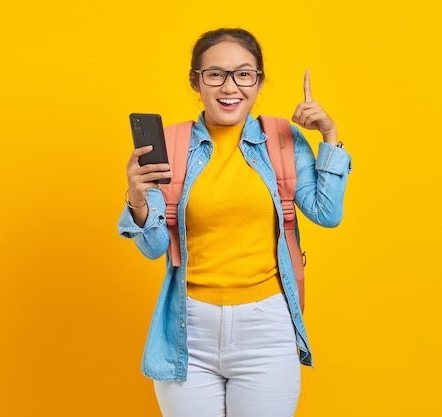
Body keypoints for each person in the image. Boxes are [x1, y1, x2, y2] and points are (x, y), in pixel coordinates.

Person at [118, 27, 352, 417]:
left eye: (244, 74)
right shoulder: (171, 145)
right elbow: (154, 246)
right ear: (196, 81)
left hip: (266, 328)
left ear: (258, 82)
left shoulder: (283, 139)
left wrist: (329, 136)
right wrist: (137, 198)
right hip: (187, 330)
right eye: (215, 74)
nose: (231, 86)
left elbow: (327, 214)